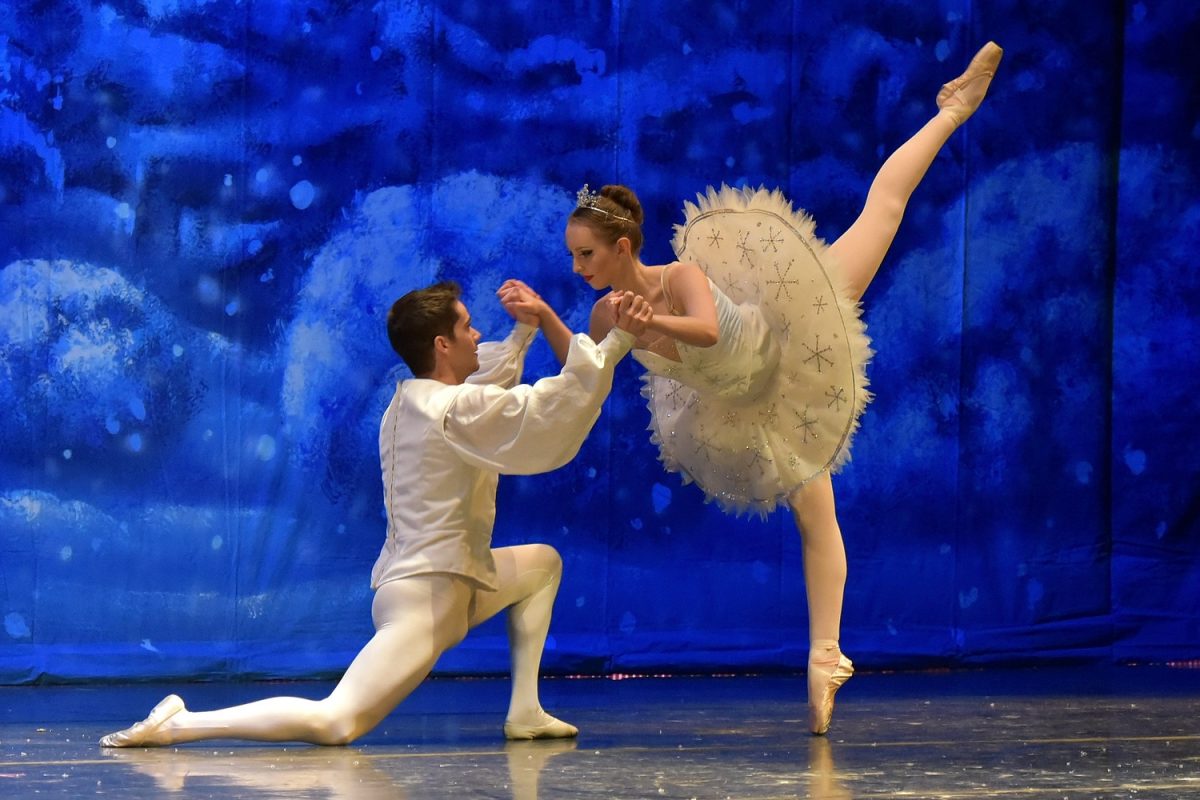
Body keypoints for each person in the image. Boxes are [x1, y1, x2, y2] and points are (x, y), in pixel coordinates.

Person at [506, 42, 1003, 735]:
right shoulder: (605, 312)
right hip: (748, 403)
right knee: (813, 517)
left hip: (790, 336)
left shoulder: (678, 277)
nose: (578, 266)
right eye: (571, 257)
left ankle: (953, 110)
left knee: (881, 212)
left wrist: (657, 320)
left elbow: (706, 331)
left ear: (623, 247)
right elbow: (583, 367)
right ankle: (825, 656)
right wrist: (547, 317)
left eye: (586, 254)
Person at [99, 279, 652, 747]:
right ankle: (182, 723)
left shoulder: (410, 400)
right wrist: (616, 341)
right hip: (429, 596)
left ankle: (524, 710)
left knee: (541, 565)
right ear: (442, 344)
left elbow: (484, 387)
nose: (478, 336)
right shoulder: (450, 409)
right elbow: (543, 407)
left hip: (448, 582)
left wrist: (526, 330)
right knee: (337, 720)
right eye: (467, 329)